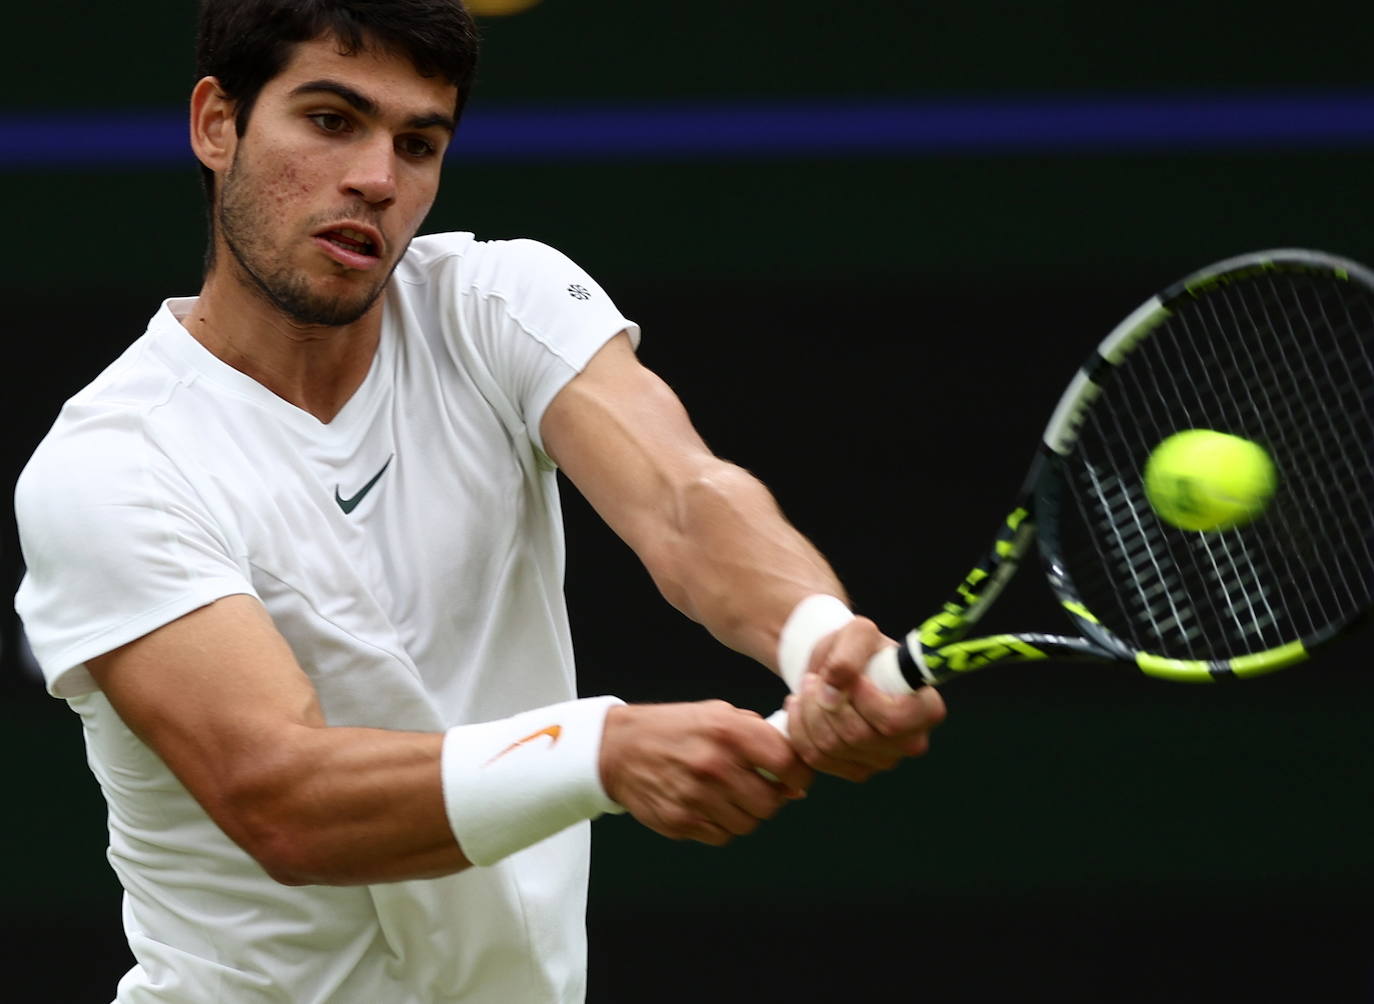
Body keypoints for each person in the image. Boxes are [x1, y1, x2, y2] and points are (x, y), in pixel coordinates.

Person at [13, 1, 946, 1001]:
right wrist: (598, 749)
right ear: (216, 124)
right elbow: (281, 794)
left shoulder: (496, 302)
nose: (377, 179)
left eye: (418, 143)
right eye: (331, 120)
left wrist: (817, 641)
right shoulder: (111, 465)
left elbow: (686, 499)